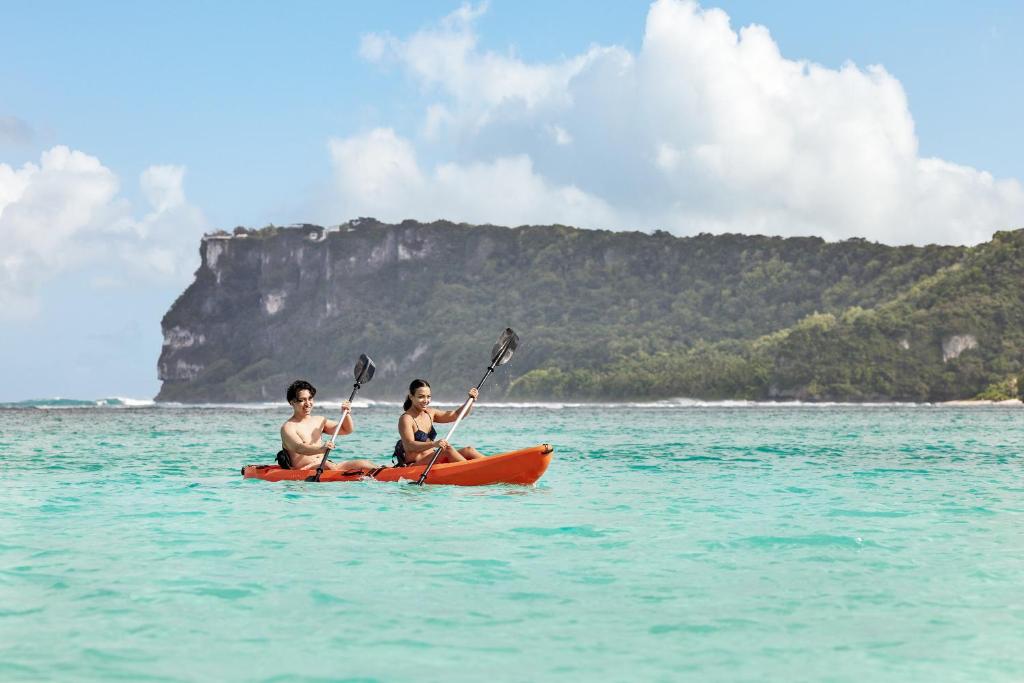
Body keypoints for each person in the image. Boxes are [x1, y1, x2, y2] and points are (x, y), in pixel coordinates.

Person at [278, 379, 375, 473]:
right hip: (305, 469)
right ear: (292, 402)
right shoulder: (288, 427)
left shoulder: (319, 420)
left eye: (310, 398)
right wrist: (321, 449)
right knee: (328, 465)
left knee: (364, 463)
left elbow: (346, 430)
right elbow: (299, 448)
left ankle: (381, 472)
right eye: (301, 400)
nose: (308, 403)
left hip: (325, 465)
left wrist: (346, 414)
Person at [393, 378, 487, 467]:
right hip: (416, 465)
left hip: (433, 459)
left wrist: (470, 400)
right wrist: (434, 444)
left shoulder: (430, 413)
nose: (426, 400)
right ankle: (472, 471)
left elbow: (458, 415)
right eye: (421, 397)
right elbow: (409, 446)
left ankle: (490, 467)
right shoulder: (406, 419)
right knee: (446, 449)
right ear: (411, 397)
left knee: (469, 450)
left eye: (428, 396)